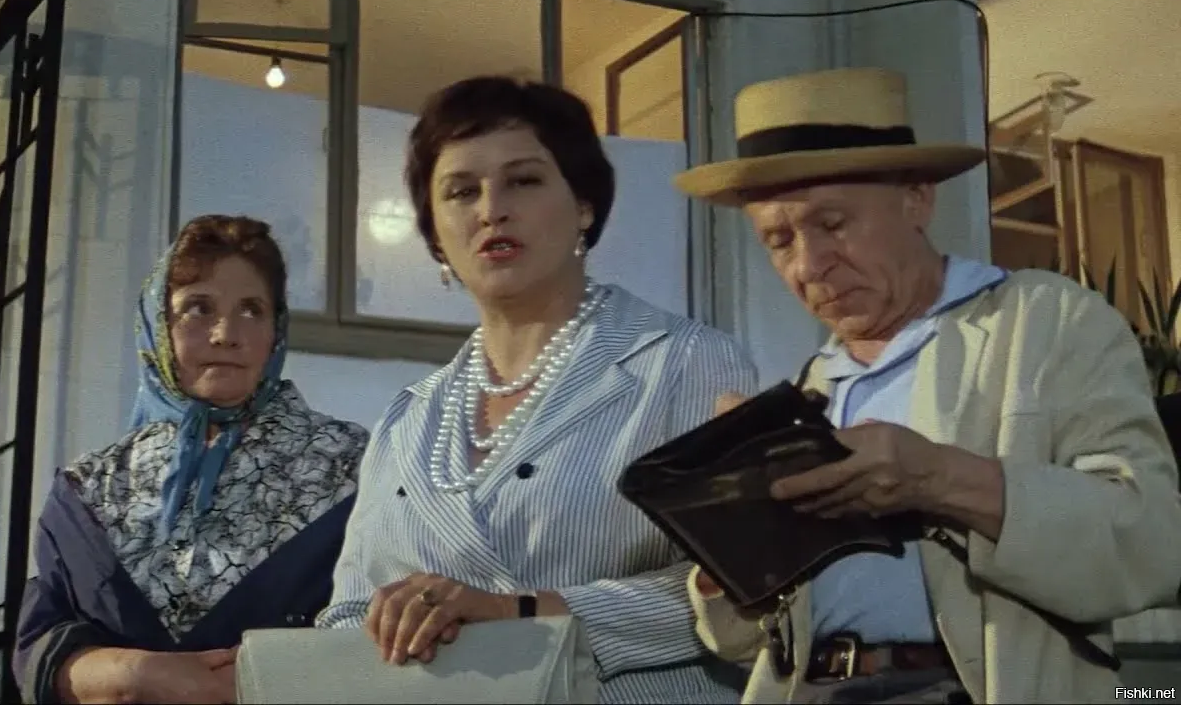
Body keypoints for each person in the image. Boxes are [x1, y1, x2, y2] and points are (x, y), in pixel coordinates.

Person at [673, 66, 1181, 703]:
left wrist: (937, 478)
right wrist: (727, 549)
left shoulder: (1045, 322)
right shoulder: (813, 385)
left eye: (832, 223)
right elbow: (752, 644)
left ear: (917, 198)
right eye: (778, 240)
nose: (808, 264)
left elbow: (1151, 545)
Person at [315, 76, 760, 704]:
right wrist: (384, 628)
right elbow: (346, 612)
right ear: (435, 235)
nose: (491, 209)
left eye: (523, 181)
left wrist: (521, 612)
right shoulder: (408, 418)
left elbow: (741, 593)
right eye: (461, 191)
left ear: (583, 205)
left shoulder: (686, 363)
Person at [12, 215, 369, 704]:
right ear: (158, 325)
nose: (226, 333)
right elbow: (41, 647)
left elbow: (380, 643)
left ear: (276, 330)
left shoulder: (353, 466)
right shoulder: (91, 487)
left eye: (252, 310)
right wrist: (142, 674)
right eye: (198, 308)